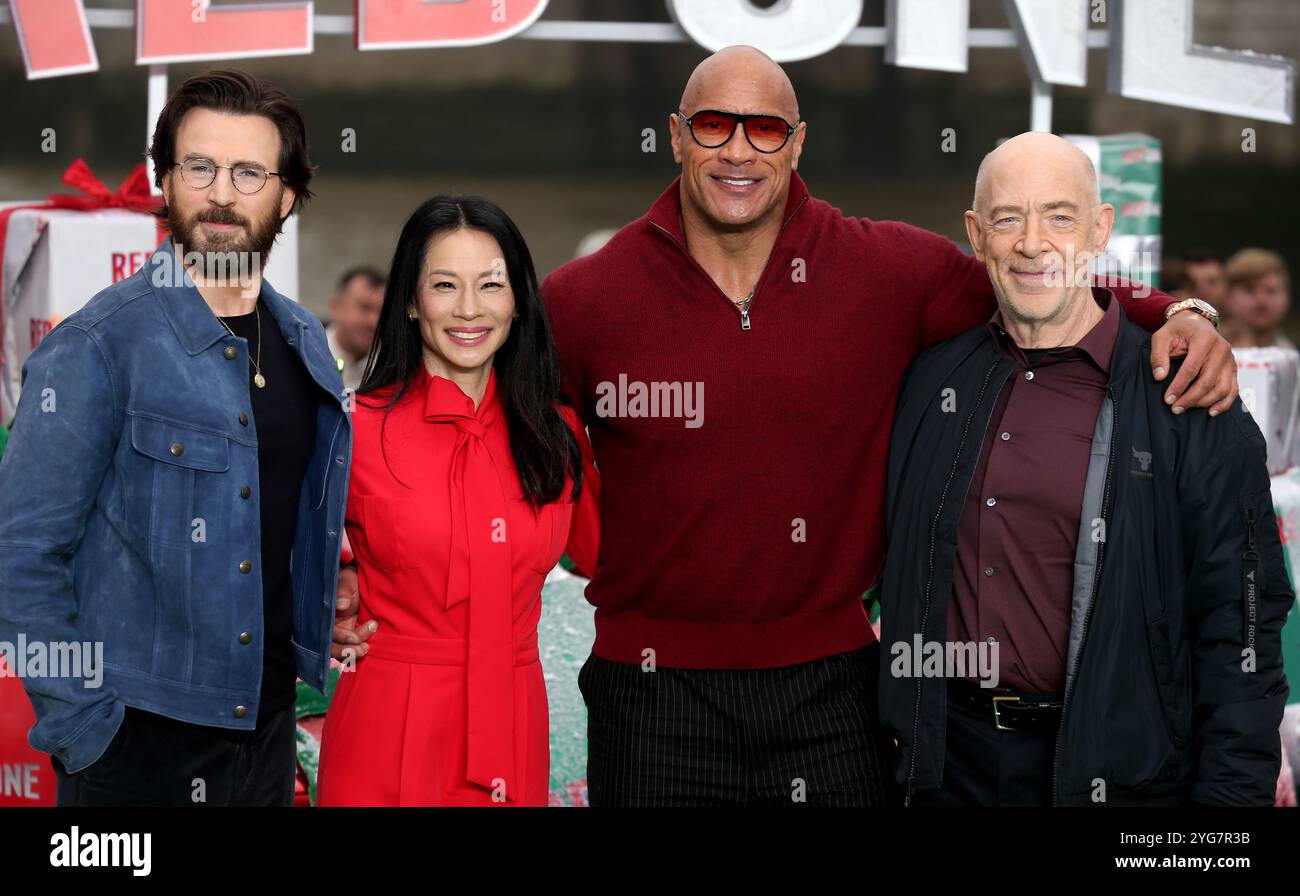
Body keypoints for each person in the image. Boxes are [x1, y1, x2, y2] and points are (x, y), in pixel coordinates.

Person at [335, 46, 1238, 807]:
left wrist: (1177, 310)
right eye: (715, 125)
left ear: (797, 142)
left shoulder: (887, 270)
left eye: (765, 128)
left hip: (834, 694)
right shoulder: (585, 298)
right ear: (679, 135)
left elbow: (1039, 282)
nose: (740, 149)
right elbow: (473, 431)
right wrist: (346, 570)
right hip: (651, 695)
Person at [879, 132, 1291, 807]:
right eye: (1008, 218)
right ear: (976, 236)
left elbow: (1241, 626)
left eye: (1060, 216)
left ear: (1101, 230)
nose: (1033, 243)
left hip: (1122, 776)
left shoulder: (1189, 400)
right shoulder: (932, 381)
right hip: (943, 772)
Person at [0, 70, 350, 806]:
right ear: (167, 180)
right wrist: (85, 728)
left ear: (287, 195)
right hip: (136, 750)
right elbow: (20, 556)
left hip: (267, 733)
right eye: (200, 166)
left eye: (249, 172)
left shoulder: (305, 341)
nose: (222, 194)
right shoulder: (98, 345)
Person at [315, 195, 599, 806]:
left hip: (515, 718)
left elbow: (618, 564)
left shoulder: (557, 434)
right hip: (385, 721)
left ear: (518, 300)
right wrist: (321, 613)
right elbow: (267, 562)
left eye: (490, 285)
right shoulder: (351, 429)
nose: (469, 309)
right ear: (412, 302)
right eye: (444, 285)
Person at [326, 266, 385, 392]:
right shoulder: (307, 358)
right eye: (365, 308)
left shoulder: (391, 370)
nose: (374, 321)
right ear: (336, 307)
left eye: (382, 312)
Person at [1222, 248, 1293, 349]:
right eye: (1249, 290)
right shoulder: (1205, 351)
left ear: (1287, 297)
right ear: (1228, 296)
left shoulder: (1292, 356)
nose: (1261, 300)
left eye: (1270, 291)